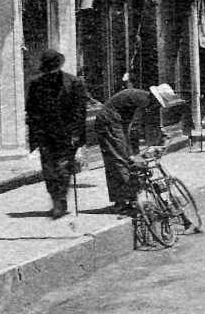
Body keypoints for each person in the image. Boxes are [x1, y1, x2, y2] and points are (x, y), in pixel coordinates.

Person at [25, 50, 88, 219]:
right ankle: (56, 199)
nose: (51, 73)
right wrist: (35, 134)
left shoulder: (73, 83)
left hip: (66, 135)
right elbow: (31, 110)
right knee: (49, 170)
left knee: (63, 169)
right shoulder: (36, 84)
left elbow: (79, 111)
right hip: (45, 134)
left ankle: (60, 201)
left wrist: (76, 134)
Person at [94, 84, 170, 215]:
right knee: (120, 160)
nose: (158, 107)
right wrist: (133, 154)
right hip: (109, 122)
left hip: (115, 122)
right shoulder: (143, 100)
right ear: (156, 99)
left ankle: (123, 200)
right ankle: (126, 201)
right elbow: (134, 127)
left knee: (121, 159)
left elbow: (131, 127)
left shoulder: (144, 98)